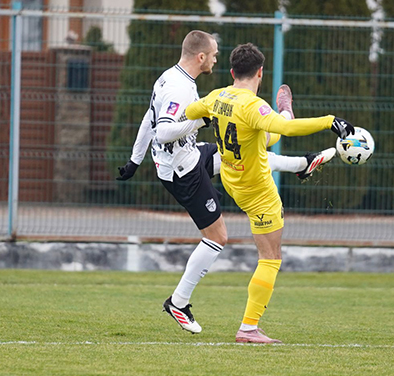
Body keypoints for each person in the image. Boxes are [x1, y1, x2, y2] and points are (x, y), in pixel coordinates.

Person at [116, 31, 334, 334]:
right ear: (201, 57)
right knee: (217, 236)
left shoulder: (169, 78)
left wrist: (134, 160)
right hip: (182, 172)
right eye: (214, 53)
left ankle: (301, 165)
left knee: (240, 154)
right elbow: (163, 131)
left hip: (188, 156)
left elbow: (149, 118)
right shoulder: (181, 89)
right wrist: (202, 120)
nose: (217, 58)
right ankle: (178, 302)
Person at [185, 42, 354, 343]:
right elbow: (286, 133)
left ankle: (288, 125)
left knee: (262, 134)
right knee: (271, 257)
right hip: (258, 191)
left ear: (232, 71)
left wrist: (214, 114)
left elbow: (190, 110)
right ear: (260, 72)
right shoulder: (252, 106)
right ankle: (248, 328)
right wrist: (330, 121)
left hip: (231, 179)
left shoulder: (218, 96)